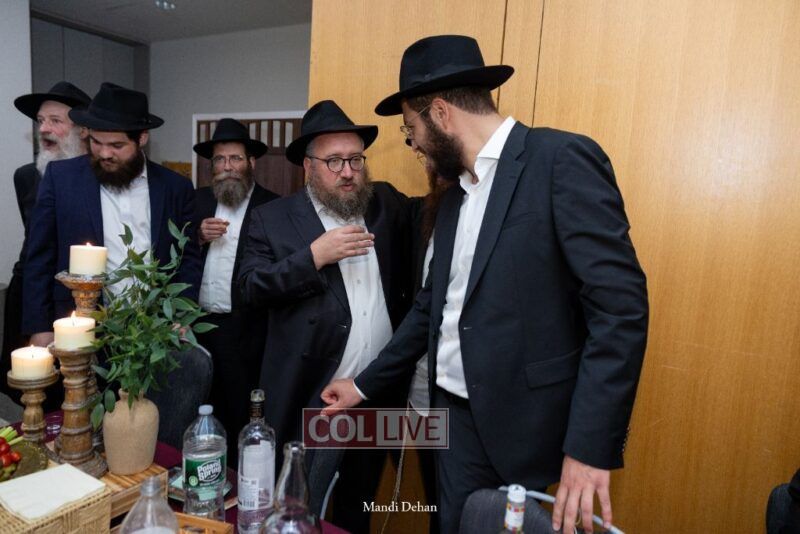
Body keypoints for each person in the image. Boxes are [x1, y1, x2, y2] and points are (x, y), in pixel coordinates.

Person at [321, 35, 649, 534]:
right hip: (452, 421)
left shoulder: (560, 160)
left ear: (440, 113)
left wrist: (589, 446)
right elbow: (432, 308)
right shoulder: (455, 197)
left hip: (524, 425)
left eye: (412, 130)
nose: (415, 144)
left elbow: (620, 312)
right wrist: (362, 386)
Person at [237, 100, 412, 533]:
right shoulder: (271, 219)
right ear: (308, 167)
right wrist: (312, 257)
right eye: (334, 161)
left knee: (359, 502)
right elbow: (249, 288)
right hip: (312, 393)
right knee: (299, 505)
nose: (347, 171)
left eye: (355, 159)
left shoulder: (386, 203)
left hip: (374, 392)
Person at [22, 82, 202, 346]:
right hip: (80, 327)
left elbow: (189, 259)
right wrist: (39, 326)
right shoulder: (60, 179)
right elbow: (39, 258)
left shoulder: (176, 187)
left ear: (142, 138)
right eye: (96, 142)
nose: (105, 153)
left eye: (117, 145)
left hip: (155, 329)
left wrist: (183, 314)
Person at [192, 118, 279, 463]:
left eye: (235, 158)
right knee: (198, 407)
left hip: (246, 332)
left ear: (251, 162)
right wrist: (198, 236)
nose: (227, 166)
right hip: (197, 327)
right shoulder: (196, 202)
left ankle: (239, 474)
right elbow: (171, 253)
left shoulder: (272, 207)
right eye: (220, 159)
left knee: (241, 411)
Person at [1, 81, 91, 393]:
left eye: (55, 121)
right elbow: (35, 245)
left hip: (78, 298)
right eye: (41, 121)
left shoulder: (99, 175)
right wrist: (37, 321)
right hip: (31, 293)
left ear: (83, 130)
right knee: (32, 392)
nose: (44, 129)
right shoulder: (25, 176)